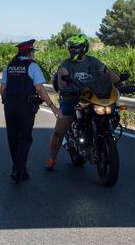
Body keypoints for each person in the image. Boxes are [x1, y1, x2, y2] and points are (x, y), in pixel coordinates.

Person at [45, 33, 120, 171]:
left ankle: (100, 139)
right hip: (71, 99)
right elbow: (62, 79)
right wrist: (65, 88)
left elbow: (106, 72)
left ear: (83, 48)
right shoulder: (66, 64)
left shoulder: (94, 62)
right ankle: (51, 159)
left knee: (114, 112)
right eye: (70, 48)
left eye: (75, 47)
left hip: (93, 98)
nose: (72, 50)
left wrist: (119, 83)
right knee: (58, 131)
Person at [1, 39, 58, 183]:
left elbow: (2, 88)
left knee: (13, 138)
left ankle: (18, 167)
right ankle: (19, 170)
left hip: (9, 106)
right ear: (30, 52)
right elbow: (39, 88)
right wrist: (52, 106)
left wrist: (6, 102)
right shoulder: (32, 66)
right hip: (25, 107)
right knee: (25, 138)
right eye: (33, 51)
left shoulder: (9, 66)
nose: (34, 54)